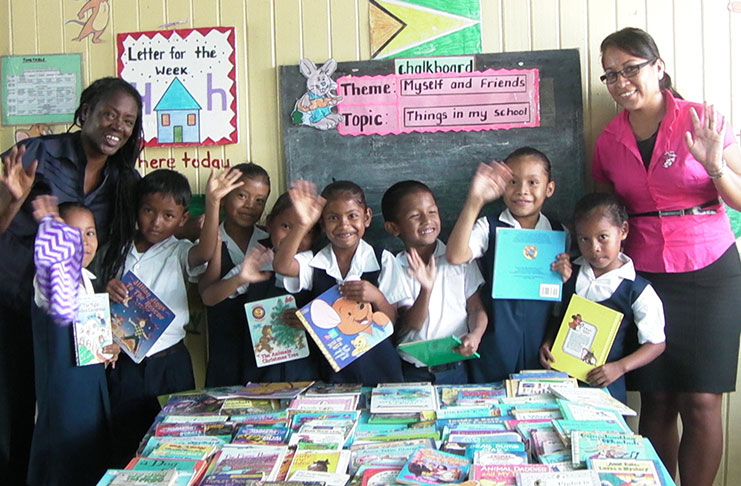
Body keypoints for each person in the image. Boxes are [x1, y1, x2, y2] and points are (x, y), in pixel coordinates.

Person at [592, 27, 741, 485]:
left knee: (700, 399)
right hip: (642, 277)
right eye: (610, 75)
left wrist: (715, 165)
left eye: (630, 69)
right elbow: (604, 214)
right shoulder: (608, 139)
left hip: (709, 270)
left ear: (657, 67)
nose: (620, 82)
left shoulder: (702, 119)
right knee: (655, 399)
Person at [0, 77, 142, 484]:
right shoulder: (37, 154)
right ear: (85, 113)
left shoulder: (124, 180)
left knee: (68, 417)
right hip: (12, 304)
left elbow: (116, 246)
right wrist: (12, 199)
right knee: (12, 415)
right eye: (109, 114)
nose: (117, 126)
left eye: (128, 121)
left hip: (74, 320)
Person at [103, 168, 241, 465]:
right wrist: (105, 288)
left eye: (168, 216)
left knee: (175, 440)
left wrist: (214, 201)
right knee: (124, 441)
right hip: (123, 363)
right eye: (148, 211)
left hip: (169, 363)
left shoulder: (178, 250)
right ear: (136, 209)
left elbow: (204, 253)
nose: (156, 222)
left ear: (182, 220)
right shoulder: (115, 249)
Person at [446, 147, 570, 383]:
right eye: (512, 181)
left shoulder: (559, 232)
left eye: (533, 182)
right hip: (495, 338)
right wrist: (476, 200)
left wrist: (566, 274)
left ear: (549, 188)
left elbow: (564, 296)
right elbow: (455, 255)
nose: (522, 191)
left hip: (541, 339)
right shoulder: (488, 227)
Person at [272, 180, 407, 385]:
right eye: (333, 218)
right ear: (322, 223)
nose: (344, 225)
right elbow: (282, 265)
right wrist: (302, 224)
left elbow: (391, 322)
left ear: (367, 217)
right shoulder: (314, 262)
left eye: (352, 216)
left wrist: (376, 297)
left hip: (381, 368)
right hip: (333, 374)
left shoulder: (382, 260)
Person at [538, 192, 666, 404]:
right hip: (560, 384)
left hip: (605, 388)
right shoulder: (570, 273)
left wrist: (620, 367)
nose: (594, 248)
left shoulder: (637, 289)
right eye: (584, 239)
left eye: (603, 237)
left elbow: (656, 344)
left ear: (623, 231)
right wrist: (548, 342)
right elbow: (557, 314)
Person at [28, 196, 120, 486]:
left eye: (89, 233)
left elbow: (91, 335)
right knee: (64, 464)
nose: (84, 242)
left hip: (92, 388)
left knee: (92, 458)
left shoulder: (89, 281)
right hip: (63, 394)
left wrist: (110, 348)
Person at [199, 192, 321, 382]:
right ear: (270, 224)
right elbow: (209, 298)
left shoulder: (314, 264)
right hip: (260, 374)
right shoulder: (258, 262)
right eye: (286, 226)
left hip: (307, 372)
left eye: (306, 231)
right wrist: (240, 278)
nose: (294, 238)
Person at [381, 180, 487, 384]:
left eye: (432, 212)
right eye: (414, 216)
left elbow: (476, 309)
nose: (427, 220)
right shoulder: (394, 266)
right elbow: (411, 324)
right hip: (413, 372)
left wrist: (475, 335)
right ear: (394, 227)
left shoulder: (458, 258)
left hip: (456, 369)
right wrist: (426, 289)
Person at [198, 163, 272, 387]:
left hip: (265, 353)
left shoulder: (269, 241)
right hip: (224, 352)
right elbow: (206, 295)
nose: (250, 205)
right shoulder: (210, 240)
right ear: (225, 194)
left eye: (260, 200)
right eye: (242, 195)